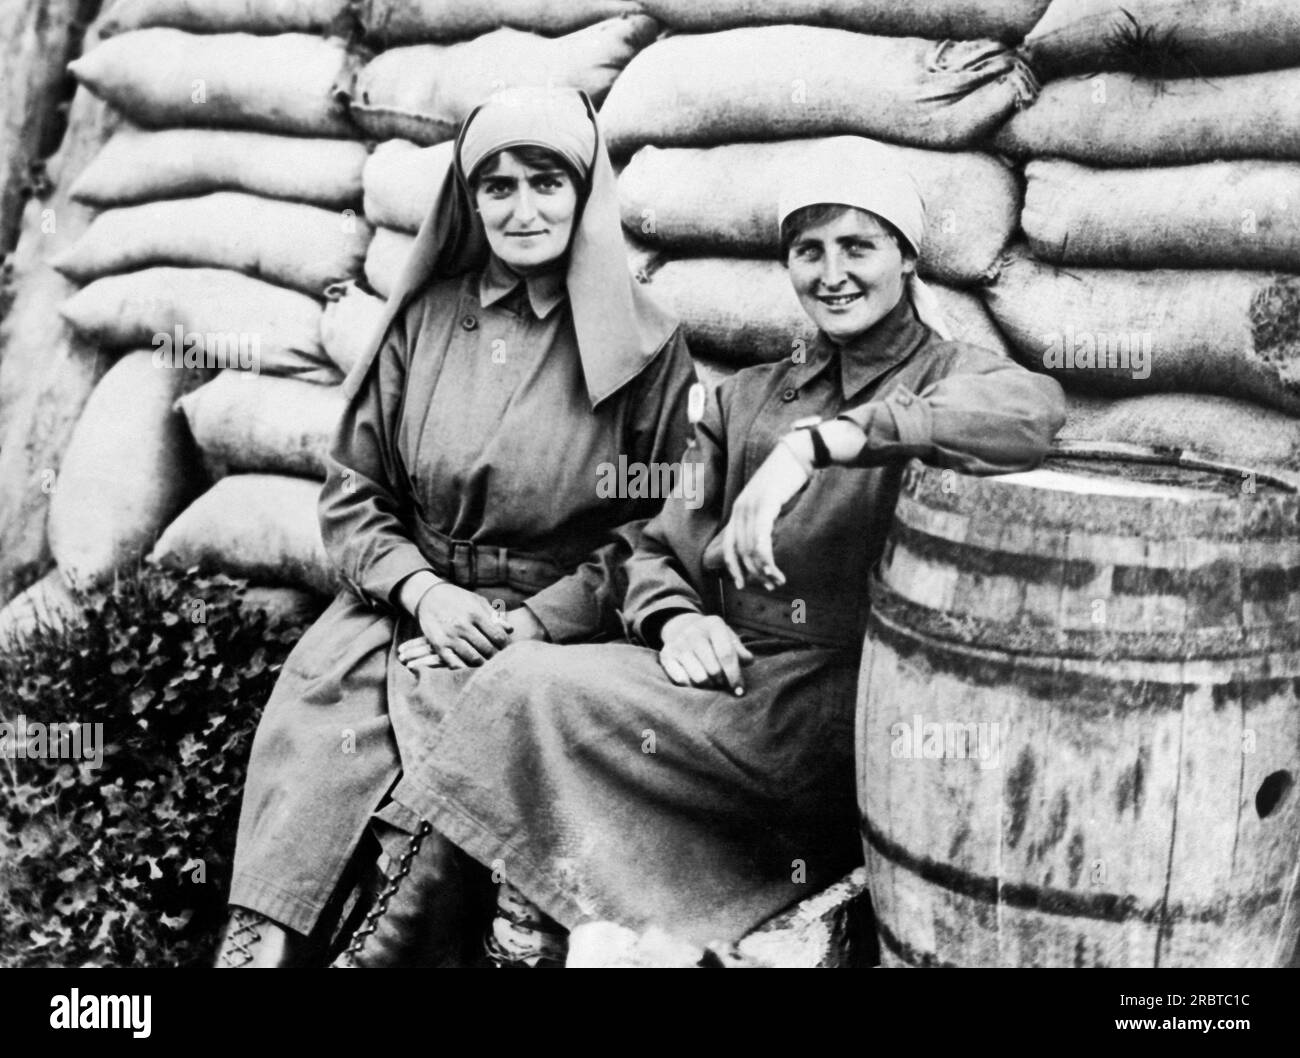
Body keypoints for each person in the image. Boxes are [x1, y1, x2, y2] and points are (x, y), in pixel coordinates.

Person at [330, 135, 1069, 961]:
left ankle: (403, 939)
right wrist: (678, 620)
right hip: (726, 676)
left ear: (906, 257)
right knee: (520, 677)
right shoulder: (749, 397)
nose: (833, 274)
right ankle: (423, 931)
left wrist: (826, 444)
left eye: (859, 246)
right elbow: (656, 549)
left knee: (530, 688)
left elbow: (1034, 414)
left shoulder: (951, 377)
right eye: (808, 250)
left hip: (839, 703)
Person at [216, 87, 696, 967]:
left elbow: (656, 532)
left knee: (446, 800)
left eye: (547, 182)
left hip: (550, 629)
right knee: (317, 749)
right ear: (468, 201)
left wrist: (535, 622)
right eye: (496, 186)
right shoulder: (425, 320)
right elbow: (354, 493)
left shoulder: (649, 348)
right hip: (406, 603)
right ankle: (259, 950)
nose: (521, 209)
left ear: (586, 192)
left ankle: (386, 949)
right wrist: (422, 590)